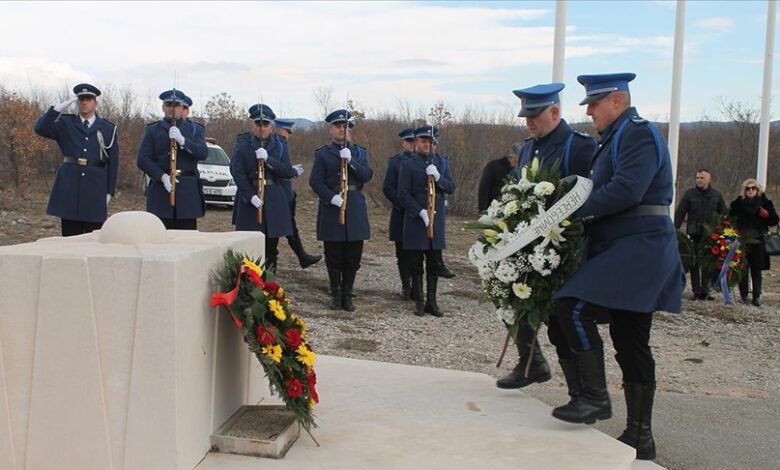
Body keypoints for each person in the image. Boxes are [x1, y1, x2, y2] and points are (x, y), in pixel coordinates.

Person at [548, 73, 684, 461]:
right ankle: (640, 437)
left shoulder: (636, 133)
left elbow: (627, 189)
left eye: (594, 104)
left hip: (639, 245)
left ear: (618, 102)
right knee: (629, 338)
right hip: (629, 246)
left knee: (571, 304)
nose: (589, 111)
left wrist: (572, 213)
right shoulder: (616, 136)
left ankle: (594, 398)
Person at [494, 83, 597, 391]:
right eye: (526, 115)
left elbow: (591, 191)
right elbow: (515, 188)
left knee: (563, 321)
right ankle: (532, 362)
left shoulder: (579, 146)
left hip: (564, 246)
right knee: (509, 294)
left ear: (554, 111)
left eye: (534, 115)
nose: (529, 121)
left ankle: (581, 392)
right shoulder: (526, 148)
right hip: (528, 242)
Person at [309, 109, 373, 312]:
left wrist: (351, 161)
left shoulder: (360, 152)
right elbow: (315, 182)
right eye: (337, 127)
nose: (341, 130)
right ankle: (336, 292)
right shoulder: (322, 154)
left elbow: (367, 175)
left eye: (345, 127)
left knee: (353, 254)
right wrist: (331, 197)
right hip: (332, 205)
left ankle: (348, 292)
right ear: (330, 129)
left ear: (350, 130)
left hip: (354, 205)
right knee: (334, 253)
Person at [34, 83, 119, 236]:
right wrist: (56, 110)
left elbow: (113, 162)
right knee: (70, 237)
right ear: (77, 102)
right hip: (70, 186)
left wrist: (109, 191)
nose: (84, 102)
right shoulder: (65, 123)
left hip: (95, 186)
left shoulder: (107, 128)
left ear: (95, 102)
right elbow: (41, 129)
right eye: (81, 99)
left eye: (88, 99)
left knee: (93, 238)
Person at [230, 104, 297, 273]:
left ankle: (269, 286)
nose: (262, 128)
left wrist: (269, 161)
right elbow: (237, 172)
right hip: (249, 198)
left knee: (270, 248)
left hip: (273, 197)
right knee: (248, 247)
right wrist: (250, 196)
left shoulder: (280, 145)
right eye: (258, 124)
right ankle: (248, 286)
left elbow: (287, 171)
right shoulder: (243, 144)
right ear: (253, 125)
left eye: (266, 124)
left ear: (271, 126)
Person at [398, 125, 456, 317]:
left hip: (436, 216)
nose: (427, 145)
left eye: (431, 142)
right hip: (417, 217)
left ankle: (432, 301)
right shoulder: (409, 163)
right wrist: (418, 211)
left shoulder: (442, 163)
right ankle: (419, 301)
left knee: (434, 262)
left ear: (435, 144)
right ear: (416, 143)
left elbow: (450, 187)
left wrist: (438, 177)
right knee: (416, 263)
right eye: (423, 141)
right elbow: (403, 193)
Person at [137, 89, 208, 230]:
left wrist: (183, 141)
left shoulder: (194, 130)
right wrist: (161, 176)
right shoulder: (153, 130)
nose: (172, 108)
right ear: (163, 107)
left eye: (175, 105)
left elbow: (202, 153)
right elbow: (143, 159)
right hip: (160, 192)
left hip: (187, 192)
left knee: (186, 237)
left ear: (182, 108)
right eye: (168, 105)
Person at [274, 118, 322, 269]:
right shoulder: (279, 143)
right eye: (287, 131)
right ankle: (301, 256)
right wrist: (292, 171)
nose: (289, 134)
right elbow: (279, 169)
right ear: (281, 129)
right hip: (280, 192)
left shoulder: (280, 143)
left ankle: (302, 256)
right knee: (285, 226)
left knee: (289, 226)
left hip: (283, 191)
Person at [674, 169, 727, 300]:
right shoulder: (689, 195)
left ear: (709, 179)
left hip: (711, 236)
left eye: (702, 178)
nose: (699, 180)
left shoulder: (716, 196)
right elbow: (680, 213)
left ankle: (705, 290)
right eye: (697, 177)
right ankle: (697, 290)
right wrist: (675, 229)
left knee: (708, 263)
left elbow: (724, 214)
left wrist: (724, 231)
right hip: (694, 234)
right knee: (694, 263)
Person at [729, 179, 779, 306]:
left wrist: (766, 215)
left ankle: (757, 296)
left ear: (758, 190)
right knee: (743, 269)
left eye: (753, 188)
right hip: (742, 240)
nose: (750, 190)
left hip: (759, 240)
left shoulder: (765, 203)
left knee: (757, 270)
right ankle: (744, 295)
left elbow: (774, 220)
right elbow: (730, 219)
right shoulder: (737, 204)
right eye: (748, 188)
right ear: (744, 191)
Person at [383, 128, 416, 300]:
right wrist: (403, 204)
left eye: (414, 141)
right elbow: (387, 187)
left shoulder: (423, 162)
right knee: (402, 253)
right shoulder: (395, 162)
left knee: (417, 254)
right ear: (403, 143)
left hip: (418, 215)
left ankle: (417, 287)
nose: (411, 144)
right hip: (401, 214)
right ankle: (406, 286)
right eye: (408, 141)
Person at [477, 143, 520, 212]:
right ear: (510, 157)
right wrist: (483, 210)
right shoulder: (493, 166)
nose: (517, 164)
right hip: (492, 208)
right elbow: (484, 189)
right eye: (516, 161)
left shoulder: (517, 171)